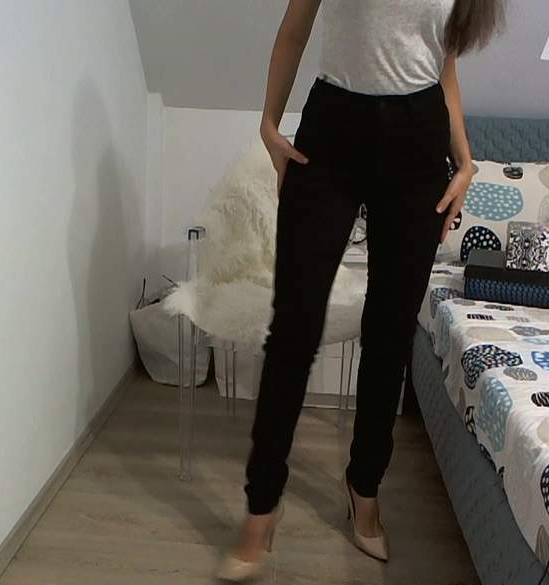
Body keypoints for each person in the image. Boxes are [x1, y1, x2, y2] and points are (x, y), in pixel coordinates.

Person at [216, 0, 504, 580]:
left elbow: (442, 64)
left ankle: (364, 486)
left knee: (389, 335)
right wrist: (268, 124)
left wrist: (466, 161)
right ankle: (260, 504)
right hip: (332, 133)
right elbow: (295, 29)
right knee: (293, 329)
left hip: (419, 143)